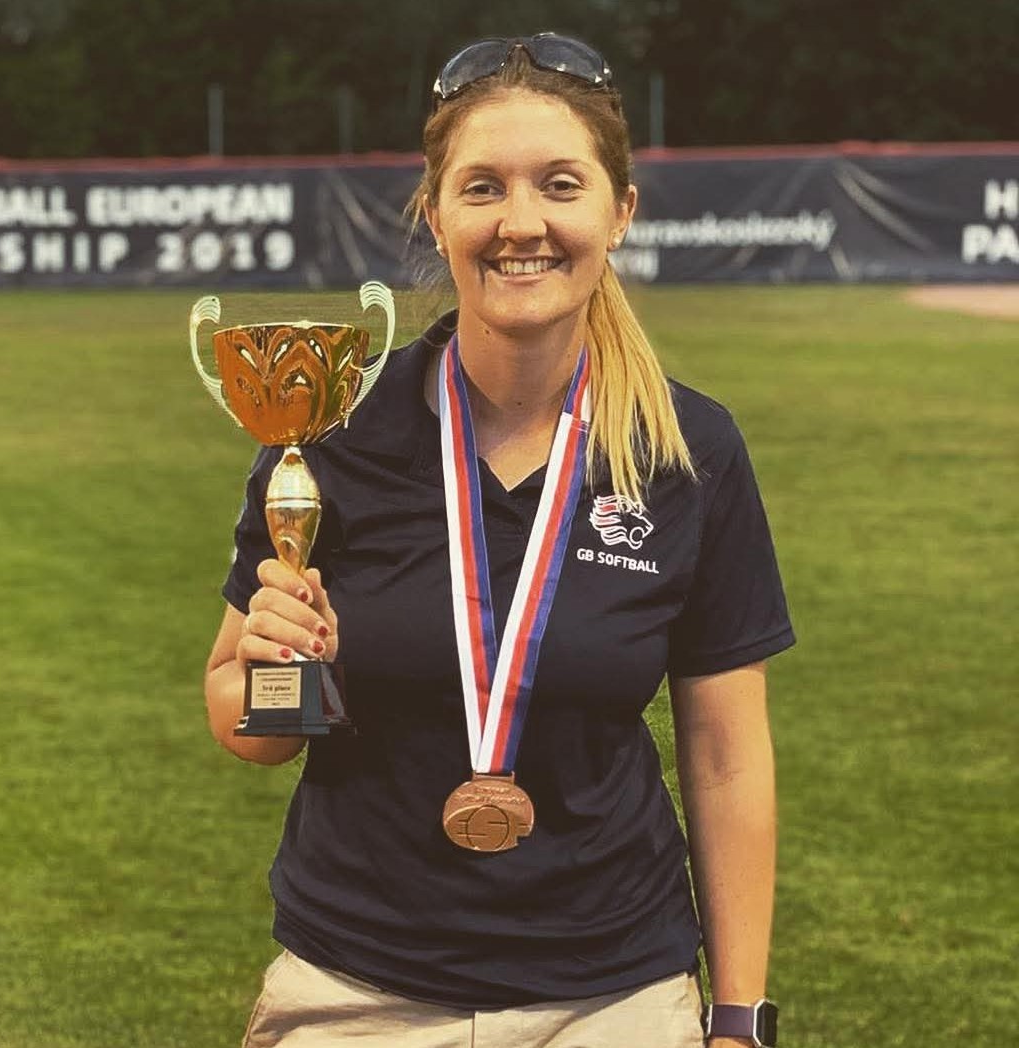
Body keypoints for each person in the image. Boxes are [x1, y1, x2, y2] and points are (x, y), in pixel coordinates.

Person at [204, 32, 794, 1048]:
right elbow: (248, 726)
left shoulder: (689, 449)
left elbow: (727, 752)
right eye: (483, 188)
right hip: (357, 987)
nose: (522, 222)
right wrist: (271, 666)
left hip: (615, 991)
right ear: (436, 216)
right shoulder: (329, 433)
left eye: (560, 184)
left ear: (620, 212)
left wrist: (738, 1017)